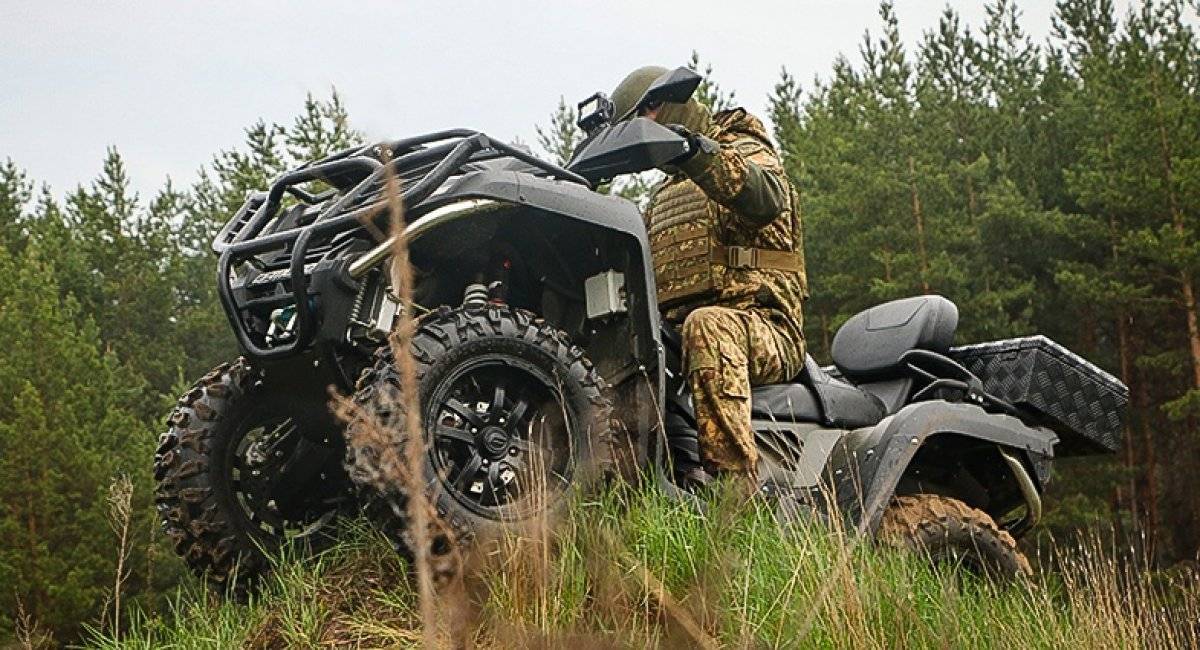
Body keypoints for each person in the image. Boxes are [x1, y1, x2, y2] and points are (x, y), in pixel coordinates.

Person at [610, 66, 808, 492]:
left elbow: (766, 197)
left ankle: (735, 495)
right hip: (680, 336)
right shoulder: (666, 194)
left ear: (657, 107)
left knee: (708, 326)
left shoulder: (739, 143)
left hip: (765, 327)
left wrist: (691, 152)